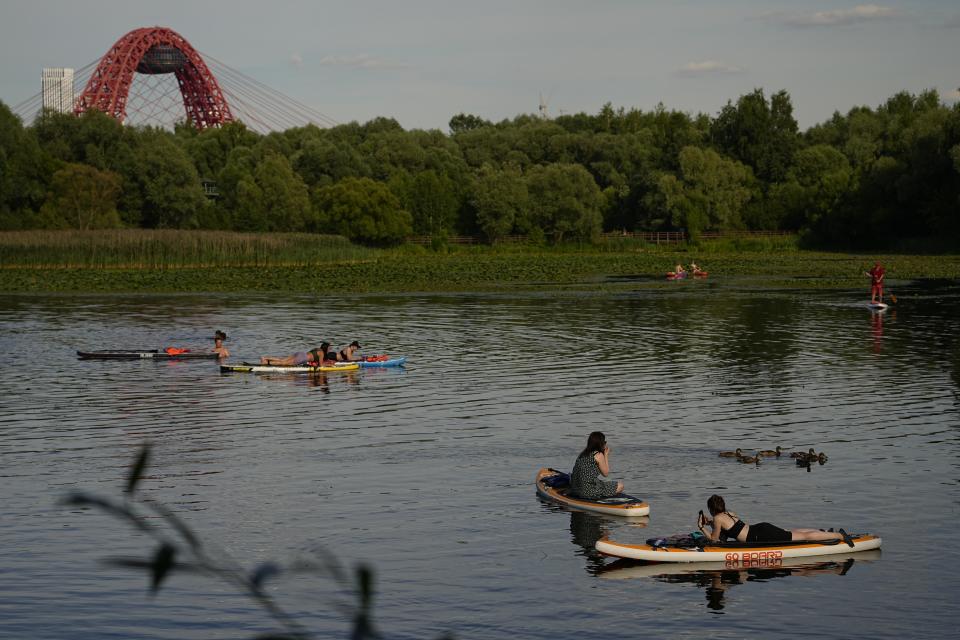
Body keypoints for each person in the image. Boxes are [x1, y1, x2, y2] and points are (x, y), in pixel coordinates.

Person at [698, 494, 849, 545]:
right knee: (793, 532)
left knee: (801, 536)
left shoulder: (718, 519)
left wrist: (701, 527)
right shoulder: (728, 513)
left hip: (759, 535)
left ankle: (839, 536)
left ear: (712, 509)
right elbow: (729, 527)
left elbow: (714, 539)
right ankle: (823, 532)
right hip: (760, 529)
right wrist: (709, 522)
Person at [569, 431, 624, 500]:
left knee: (599, 482)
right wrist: (606, 455)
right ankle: (601, 496)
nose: (605, 444)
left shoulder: (582, 454)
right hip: (588, 492)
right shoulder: (598, 455)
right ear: (600, 444)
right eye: (604, 442)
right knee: (620, 486)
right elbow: (606, 473)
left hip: (575, 490)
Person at [260, 342, 333, 366]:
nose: (330, 349)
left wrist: (327, 361)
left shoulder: (318, 349)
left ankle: (265, 358)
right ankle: (266, 362)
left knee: (282, 360)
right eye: (329, 348)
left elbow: (313, 357)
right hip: (302, 358)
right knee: (284, 363)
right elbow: (320, 365)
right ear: (326, 348)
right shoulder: (322, 353)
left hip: (300, 353)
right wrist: (329, 364)